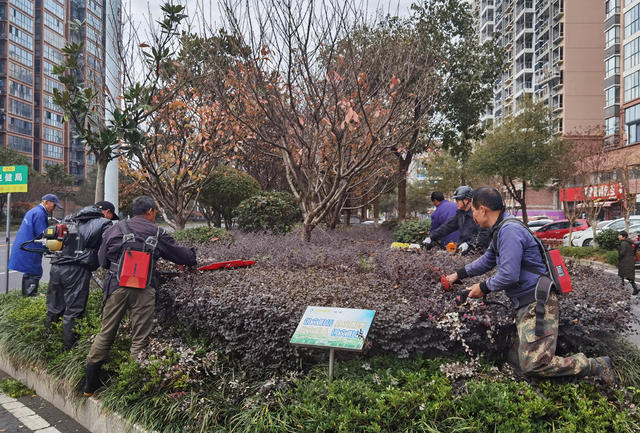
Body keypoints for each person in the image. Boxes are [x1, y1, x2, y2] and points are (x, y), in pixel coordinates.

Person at [443, 187, 616, 384]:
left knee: (535, 364)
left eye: (473, 209)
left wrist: (482, 287)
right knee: (516, 360)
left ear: (482, 209)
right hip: (526, 302)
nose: (471, 214)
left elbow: (509, 275)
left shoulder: (509, 230)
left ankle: (596, 365)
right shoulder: (500, 229)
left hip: (537, 303)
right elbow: (487, 261)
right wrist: (457, 275)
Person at [83, 196, 197, 396]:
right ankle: (133, 387)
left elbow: (102, 260)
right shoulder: (158, 232)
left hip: (116, 287)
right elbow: (183, 256)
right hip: (144, 288)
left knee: (106, 333)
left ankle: (89, 387)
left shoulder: (115, 229)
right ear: (151, 211)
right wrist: (192, 255)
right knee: (140, 339)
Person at [45, 201, 119, 349]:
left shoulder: (70, 218)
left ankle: (48, 345)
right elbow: (109, 246)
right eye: (111, 216)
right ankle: (69, 350)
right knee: (73, 311)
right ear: (107, 212)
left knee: (53, 308)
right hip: (77, 270)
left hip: (57, 266)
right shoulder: (105, 223)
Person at [9, 194, 63, 297]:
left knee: (29, 272)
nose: (54, 208)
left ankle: (27, 294)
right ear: (46, 202)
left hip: (27, 246)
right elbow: (42, 234)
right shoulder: (40, 214)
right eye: (54, 205)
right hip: (31, 247)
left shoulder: (34, 211)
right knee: (34, 272)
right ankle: (30, 296)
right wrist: (53, 246)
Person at [423, 186, 490, 253]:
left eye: (458, 200)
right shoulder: (460, 214)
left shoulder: (478, 214)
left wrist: (470, 244)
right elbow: (447, 227)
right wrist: (431, 237)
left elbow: (485, 235)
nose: (456, 202)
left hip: (480, 253)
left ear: (466, 200)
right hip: (465, 251)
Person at [618, 231, 638, 295]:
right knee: (624, 274)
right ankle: (623, 288)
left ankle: (635, 289)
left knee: (626, 275)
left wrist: (619, 257)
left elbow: (622, 253)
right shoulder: (628, 242)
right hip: (629, 260)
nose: (618, 236)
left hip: (625, 261)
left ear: (623, 236)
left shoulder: (623, 243)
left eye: (619, 235)